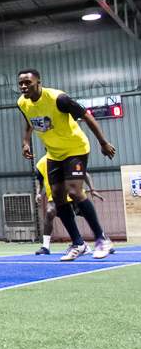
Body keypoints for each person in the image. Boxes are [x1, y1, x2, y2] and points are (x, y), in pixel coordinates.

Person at [18, 68, 115, 261]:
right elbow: (29, 122)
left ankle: (102, 239)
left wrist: (103, 143)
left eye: (27, 82)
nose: (23, 86)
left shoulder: (58, 99)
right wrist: (26, 142)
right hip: (54, 153)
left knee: (74, 191)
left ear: (38, 82)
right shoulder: (22, 103)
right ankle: (78, 243)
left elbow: (86, 116)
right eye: (20, 83)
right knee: (58, 197)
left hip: (75, 148)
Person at [33, 154, 103, 255]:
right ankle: (45, 246)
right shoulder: (41, 163)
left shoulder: (66, 157)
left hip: (73, 192)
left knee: (87, 214)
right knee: (49, 212)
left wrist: (92, 189)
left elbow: (84, 173)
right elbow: (39, 180)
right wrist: (38, 193)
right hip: (55, 195)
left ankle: (102, 238)